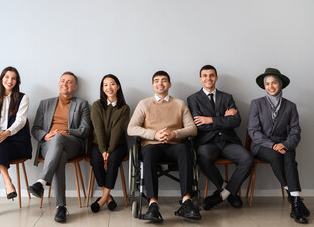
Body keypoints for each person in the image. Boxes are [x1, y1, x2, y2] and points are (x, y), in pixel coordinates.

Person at [127, 70, 200, 222]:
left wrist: (174, 134)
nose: (160, 83)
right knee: (149, 152)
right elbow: (131, 128)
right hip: (152, 145)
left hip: (174, 146)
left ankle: (186, 201)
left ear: (170, 84)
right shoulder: (144, 104)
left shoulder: (180, 104)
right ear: (153, 85)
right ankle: (153, 204)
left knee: (184, 149)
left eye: (164, 80)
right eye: (157, 81)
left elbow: (192, 129)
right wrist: (154, 135)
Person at [187, 65, 253, 210]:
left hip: (229, 141)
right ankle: (230, 192)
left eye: (211, 75)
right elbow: (199, 125)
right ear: (200, 79)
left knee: (247, 159)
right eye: (205, 75)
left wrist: (210, 119)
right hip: (207, 143)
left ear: (216, 78)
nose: (208, 78)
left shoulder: (227, 97)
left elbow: (236, 121)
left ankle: (222, 195)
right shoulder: (193, 99)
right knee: (203, 157)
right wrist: (223, 118)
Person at [248, 68, 310, 224]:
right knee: (276, 156)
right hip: (261, 146)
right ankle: (296, 199)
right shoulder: (257, 104)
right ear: (264, 86)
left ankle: (295, 205)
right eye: (267, 84)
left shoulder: (290, 106)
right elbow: (253, 131)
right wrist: (272, 144)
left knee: (290, 159)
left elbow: (295, 131)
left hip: (284, 145)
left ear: (280, 84)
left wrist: (285, 144)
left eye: (274, 82)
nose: (271, 86)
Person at [28, 71, 90, 223]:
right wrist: (45, 135)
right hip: (48, 145)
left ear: (74, 87)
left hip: (72, 143)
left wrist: (67, 131)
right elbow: (35, 129)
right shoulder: (45, 104)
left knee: (60, 138)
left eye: (69, 82)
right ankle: (60, 207)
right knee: (59, 155)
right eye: (63, 81)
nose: (65, 84)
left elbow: (86, 129)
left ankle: (41, 182)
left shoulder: (82, 104)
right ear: (58, 84)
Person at [0, 66, 32, 219]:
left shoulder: (23, 98)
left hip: (16, 142)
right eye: (7, 77)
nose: (10, 80)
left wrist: (6, 133)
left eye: (13, 78)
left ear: (17, 81)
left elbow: (21, 121)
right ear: (2, 78)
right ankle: (7, 180)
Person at [89, 74, 130, 213]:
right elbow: (98, 129)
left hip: (117, 145)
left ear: (118, 86)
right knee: (96, 160)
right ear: (102, 88)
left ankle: (102, 199)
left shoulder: (124, 108)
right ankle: (109, 198)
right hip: (98, 144)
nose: (109, 87)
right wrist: (103, 150)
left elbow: (117, 130)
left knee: (112, 161)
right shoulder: (96, 105)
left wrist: (110, 150)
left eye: (112, 84)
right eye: (105, 85)